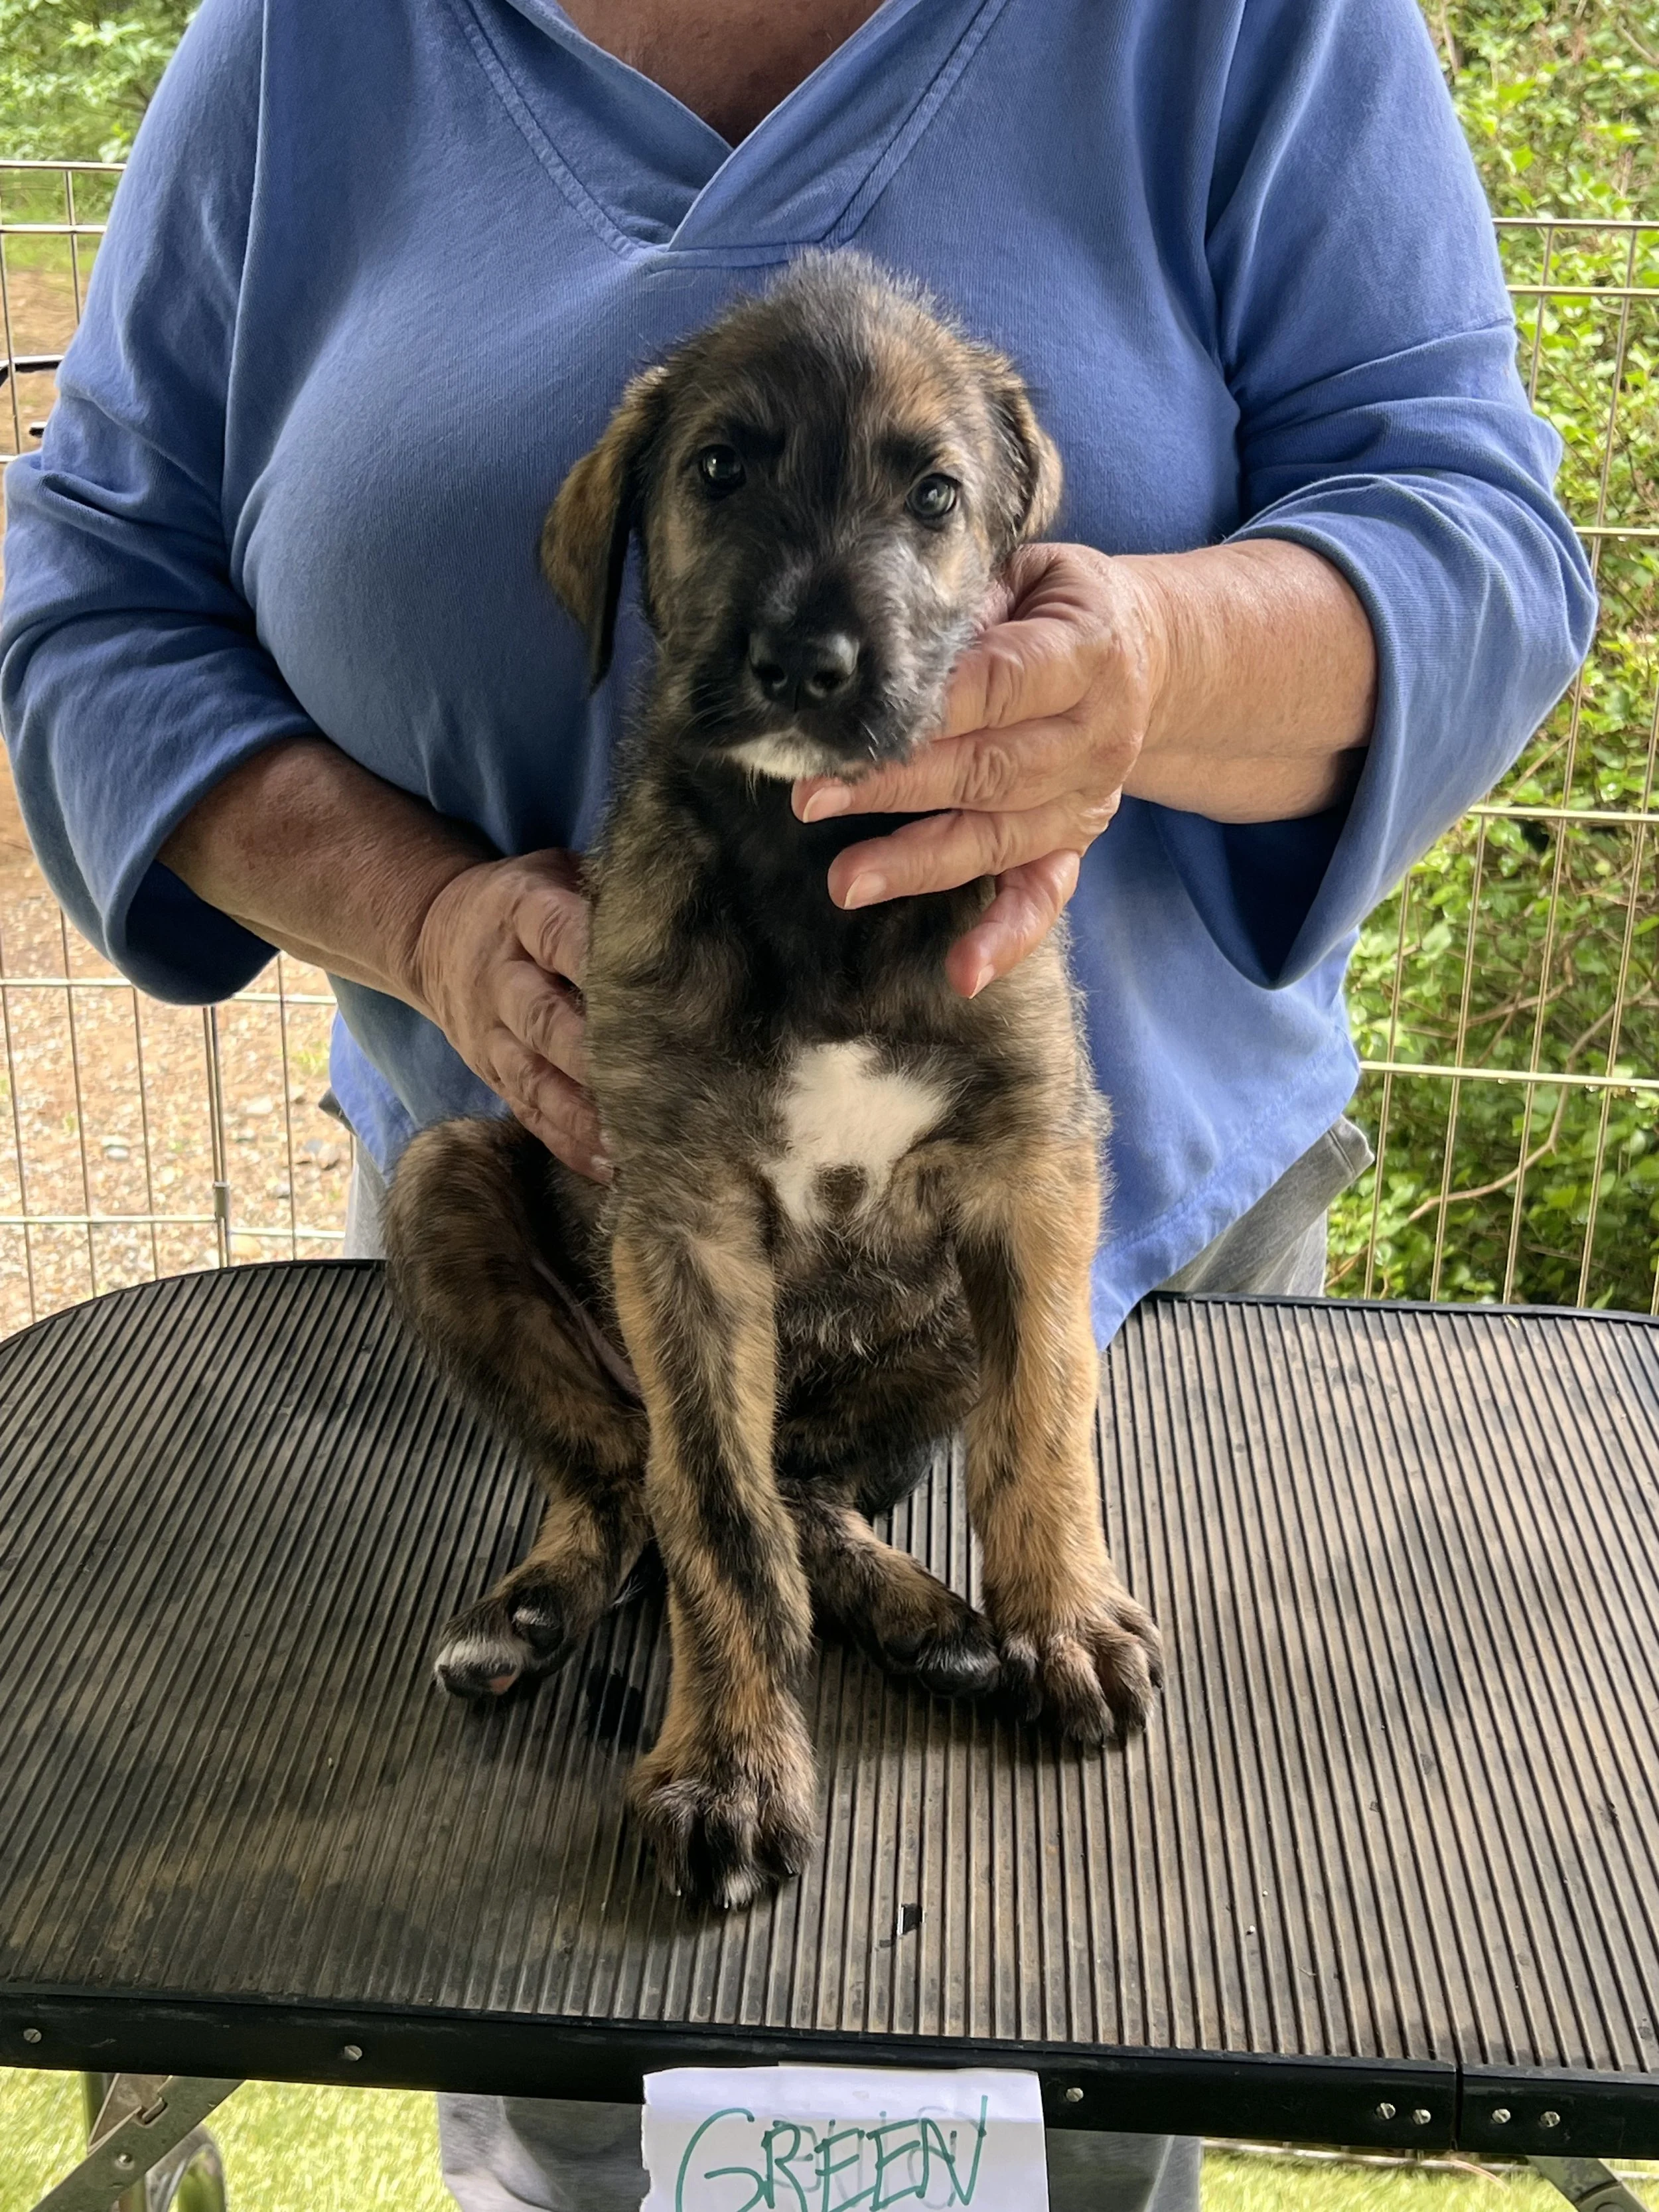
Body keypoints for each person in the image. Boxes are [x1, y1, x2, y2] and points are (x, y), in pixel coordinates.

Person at [0, 0, 1595, 2203]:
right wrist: (435, 921)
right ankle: (697, 1566)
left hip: (1132, 1323)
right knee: (587, 2082)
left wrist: (1140, 669)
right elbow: (86, 593)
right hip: (594, 1281)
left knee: (1076, 2068)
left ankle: (905, 1573)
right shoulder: (300, 48)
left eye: (919, 496)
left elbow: (1484, 543)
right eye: (731, 481)